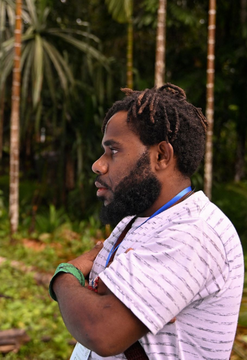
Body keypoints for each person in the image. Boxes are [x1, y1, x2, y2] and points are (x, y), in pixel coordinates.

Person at [49, 84, 244, 359]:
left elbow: (100, 330)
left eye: (113, 151)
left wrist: (65, 275)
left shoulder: (194, 233)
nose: (98, 165)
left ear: (161, 156)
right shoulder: (137, 221)